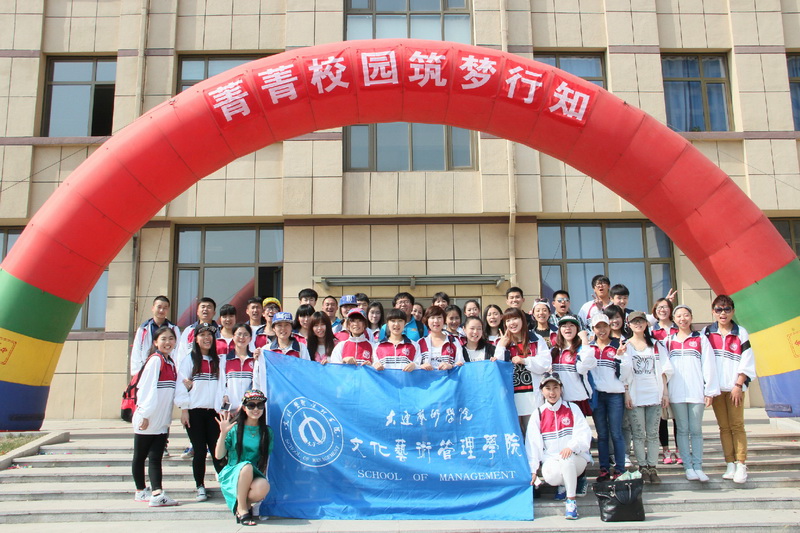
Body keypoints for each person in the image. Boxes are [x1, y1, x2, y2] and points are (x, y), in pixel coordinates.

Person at [703, 295, 756, 484]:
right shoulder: (707, 333)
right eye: (719, 309)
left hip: (735, 388)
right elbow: (704, 361)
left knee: (737, 425)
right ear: (713, 311)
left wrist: (739, 385)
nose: (722, 313)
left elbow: (747, 360)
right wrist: (709, 388)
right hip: (717, 389)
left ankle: (741, 463)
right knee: (724, 427)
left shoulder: (741, 332)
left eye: (726, 309)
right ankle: (730, 463)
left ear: (733, 311)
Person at [526, 372, 592, 520]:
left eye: (555, 387)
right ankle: (564, 484)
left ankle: (571, 501)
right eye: (548, 388)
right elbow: (532, 444)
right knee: (552, 475)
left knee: (566, 460)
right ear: (542, 391)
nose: (552, 392)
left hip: (575, 458)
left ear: (561, 389)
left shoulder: (572, 408)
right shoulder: (538, 414)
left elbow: (584, 434)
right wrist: (533, 469)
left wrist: (572, 447)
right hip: (552, 459)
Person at [666, 304, 720, 482]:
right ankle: (688, 467)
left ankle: (698, 466)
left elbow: (709, 365)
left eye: (686, 315)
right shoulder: (668, 341)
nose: (682, 319)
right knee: (682, 430)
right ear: (674, 319)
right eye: (679, 316)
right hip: (676, 393)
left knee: (696, 430)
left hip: (696, 392)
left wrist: (709, 391)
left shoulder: (700, 339)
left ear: (691, 317)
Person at [175, 323, 226, 502]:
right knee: (199, 450)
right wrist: (184, 410)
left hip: (213, 412)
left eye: (209, 335)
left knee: (217, 449)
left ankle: (226, 484)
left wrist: (222, 407)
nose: (206, 338)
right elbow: (181, 386)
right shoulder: (189, 360)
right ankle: (200, 486)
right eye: (202, 335)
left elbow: (222, 386)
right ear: (195, 339)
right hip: (195, 412)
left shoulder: (218, 360)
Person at [621, 311, 673, 485]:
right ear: (629, 325)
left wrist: (665, 393)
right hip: (635, 395)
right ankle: (642, 467)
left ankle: (652, 467)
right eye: (634, 321)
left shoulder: (656, 345)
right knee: (638, 434)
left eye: (641, 321)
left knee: (652, 434)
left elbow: (665, 370)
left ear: (646, 324)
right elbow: (623, 373)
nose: (638, 324)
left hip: (654, 394)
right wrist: (626, 393)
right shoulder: (625, 345)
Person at [131, 325, 179, 507]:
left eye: (171, 339)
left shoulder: (170, 362)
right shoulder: (155, 361)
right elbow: (145, 389)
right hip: (148, 418)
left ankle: (157, 492)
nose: (168, 342)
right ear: (155, 342)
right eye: (163, 339)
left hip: (161, 420)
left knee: (155, 457)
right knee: (140, 455)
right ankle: (140, 490)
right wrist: (144, 414)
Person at [215, 390, 272, 526]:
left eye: (259, 405)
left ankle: (243, 504)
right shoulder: (234, 429)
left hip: (253, 473)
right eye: (251, 405)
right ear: (244, 408)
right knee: (246, 466)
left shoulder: (267, 432)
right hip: (233, 471)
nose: (256, 409)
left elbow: (265, 459)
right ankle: (242, 509)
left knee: (263, 486)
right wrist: (223, 433)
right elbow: (219, 455)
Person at [588, 313, 631, 482]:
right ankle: (604, 468)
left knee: (616, 433)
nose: (602, 330)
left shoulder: (618, 345)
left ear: (609, 327)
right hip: (597, 395)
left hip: (615, 394)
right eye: (598, 327)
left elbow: (625, 373)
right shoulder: (589, 347)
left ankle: (620, 468)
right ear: (593, 329)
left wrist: (620, 356)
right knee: (602, 434)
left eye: (604, 326)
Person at [495, 307, 550, 433]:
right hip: (512, 396)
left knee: (533, 433)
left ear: (522, 320)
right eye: (508, 320)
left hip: (532, 396)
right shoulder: (502, 342)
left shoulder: (535, 339)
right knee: (515, 435)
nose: (512, 323)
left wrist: (524, 360)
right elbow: (498, 368)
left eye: (515, 318)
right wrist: (501, 346)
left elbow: (545, 364)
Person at [650, 297, 680, 465]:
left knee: (677, 416)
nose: (662, 310)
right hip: (660, 376)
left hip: (679, 377)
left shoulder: (678, 329)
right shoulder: (652, 332)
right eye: (659, 307)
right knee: (662, 417)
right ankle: (666, 450)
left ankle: (679, 450)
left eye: (666, 307)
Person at [550, 315, 596, 415]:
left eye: (571, 325)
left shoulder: (581, 349)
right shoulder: (554, 351)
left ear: (577, 329)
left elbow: (586, 365)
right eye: (564, 326)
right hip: (558, 399)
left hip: (577, 399)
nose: (568, 328)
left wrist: (584, 340)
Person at [130, 295, 181, 375]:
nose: (161, 310)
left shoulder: (174, 329)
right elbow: (136, 351)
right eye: (159, 307)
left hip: (167, 369)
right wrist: (137, 373)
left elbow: (178, 351)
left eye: (165, 308)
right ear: (153, 308)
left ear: (168, 310)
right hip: (147, 369)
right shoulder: (143, 329)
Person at [223, 324, 257, 411]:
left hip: (248, 409)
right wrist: (225, 399)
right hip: (229, 410)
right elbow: (222, 384)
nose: (242, 337)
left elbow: (255, 385)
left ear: (250, 338)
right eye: (239, 334)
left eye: (245, 334)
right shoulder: (225, 359)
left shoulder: (255, 359)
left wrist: (243, 405)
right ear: (233, 337)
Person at [419, 306, 465, 370]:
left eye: (439, 317)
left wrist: (451, 366)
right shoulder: (420, 343)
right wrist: (420, 366)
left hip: (449, 376)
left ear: (444, 320)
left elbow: (461, 364)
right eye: (432, 318)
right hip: (426, 376)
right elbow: (413, 364)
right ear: (427, 320)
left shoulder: (454, 341)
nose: (436, 321)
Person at [177, 297, 218, 364]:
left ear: (214, 313)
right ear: (197, 312)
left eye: (209, 307)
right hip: (191, 366)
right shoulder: (189, 330)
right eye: (203, 307)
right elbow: (181, 352)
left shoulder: (220, 330)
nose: (205, 309)